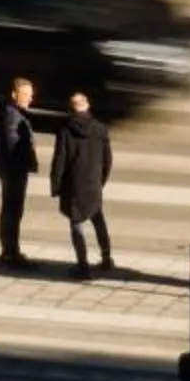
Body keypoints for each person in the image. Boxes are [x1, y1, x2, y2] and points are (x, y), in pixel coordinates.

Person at [50, 90, 115, 279]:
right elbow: (108, 160)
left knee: (76, 225)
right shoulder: (100, 129)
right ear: (87, 106)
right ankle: (106, 257)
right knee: (99, 221)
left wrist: (56, 186)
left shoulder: (65, 131)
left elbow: (59, 161)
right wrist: (100, 180)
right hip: (93, 184)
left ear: (71, 110)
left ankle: (82, 264)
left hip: (73, 185)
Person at [0, 75, 40, 268]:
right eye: (26, 94)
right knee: (13, 210)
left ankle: (10, 250)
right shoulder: (11, 115)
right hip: (13, 171)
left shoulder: (9, 111)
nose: (30, 99)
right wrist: (23, 165)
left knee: (11, 210)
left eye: (31, 95)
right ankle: (10, 253)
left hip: (10, 169)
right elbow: (13, 146)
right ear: (14, 95)